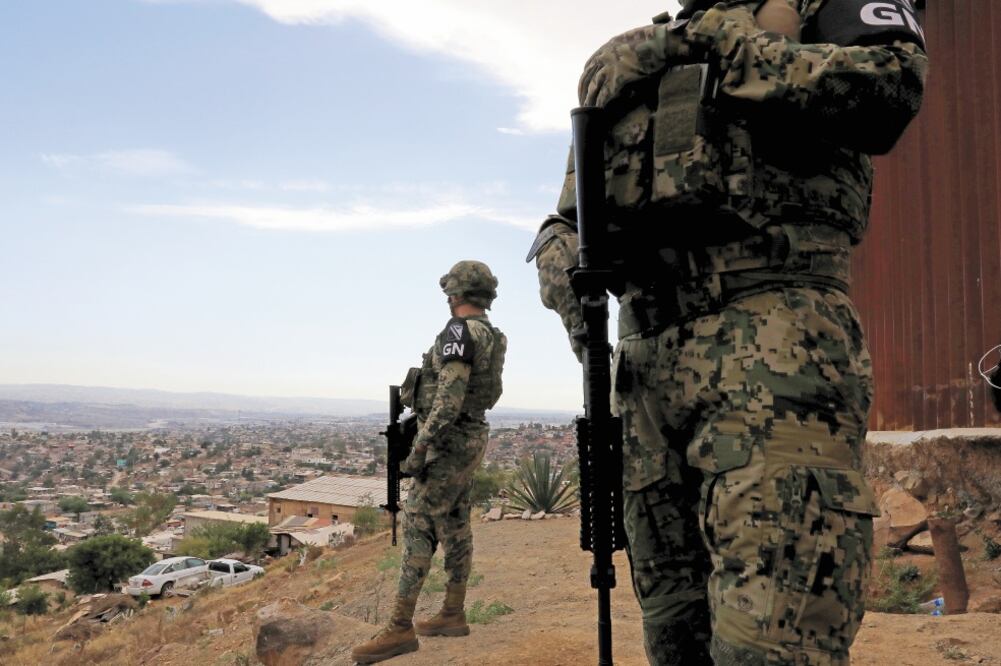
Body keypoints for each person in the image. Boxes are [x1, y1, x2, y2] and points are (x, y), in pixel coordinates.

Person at [529, 1, 927, 664]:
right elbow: (571, 215)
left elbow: (883, 88)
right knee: (673, 636)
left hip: (772, 349)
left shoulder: (800, 8)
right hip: (644, 372)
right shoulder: (636, 54)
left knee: (771, 646)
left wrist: (704, 41)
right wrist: (559, 260)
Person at [352, 260, 507, 664]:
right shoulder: (490, 334)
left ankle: (399, 627)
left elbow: (448, 400)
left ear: (455, 295)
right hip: (470, 438)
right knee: (455, 523)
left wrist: (418, 449)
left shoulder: (459, 331)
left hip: (447, 444)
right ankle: (452, 612)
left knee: (419, 522)